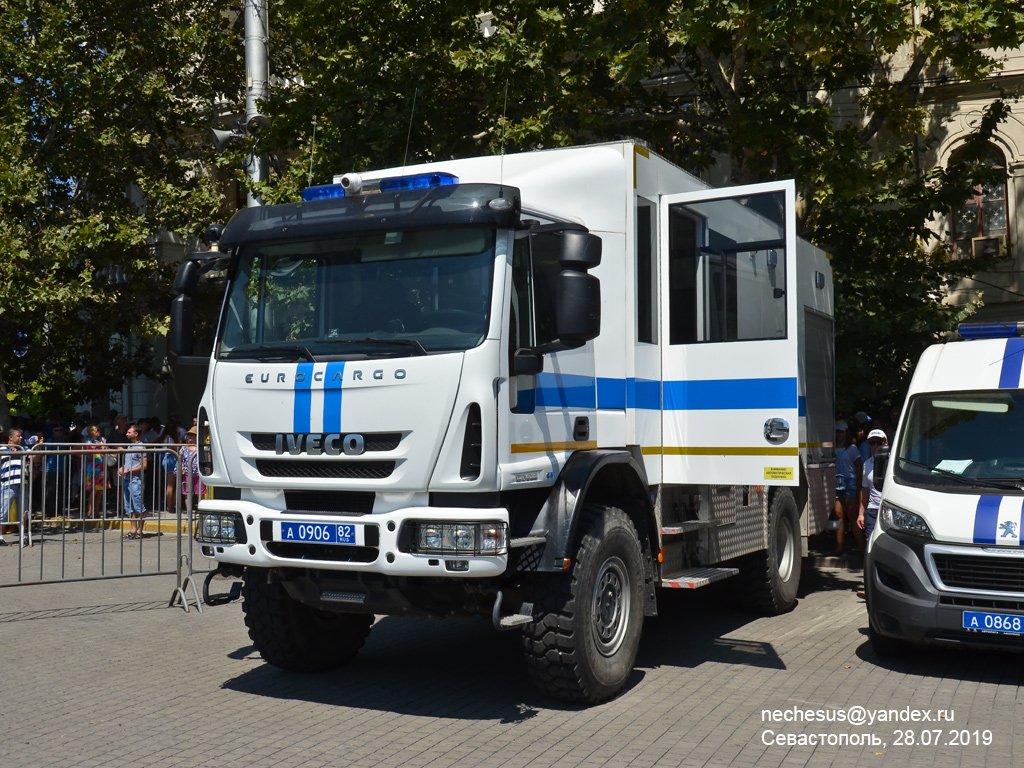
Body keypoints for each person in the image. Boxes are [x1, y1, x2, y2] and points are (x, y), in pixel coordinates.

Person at [833, 420, 864, 556]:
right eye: (837, 431)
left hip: (849, 482)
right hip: (836, 482)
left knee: (852, 516)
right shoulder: (832, 447)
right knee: (838, 514)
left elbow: (858, 469)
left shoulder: (852, 448)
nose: (839, 434)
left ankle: (863, 548)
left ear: (846, 432)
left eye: (841, 431)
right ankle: (840, 547)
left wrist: (859, 488)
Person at [857, 429, 889, 542]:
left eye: (879, 442)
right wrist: (861, 514)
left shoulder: (894, 463)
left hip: (889, 509)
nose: (875, 446)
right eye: (872, 443)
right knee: (870, 542)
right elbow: (865, 490)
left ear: (885, 443)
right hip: (872, 509)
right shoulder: (867, 464)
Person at [119, 424, 147, 539]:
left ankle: (140, 530)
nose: (127, 434)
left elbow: (144, 465)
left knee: (139, 506)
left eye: (129, 432)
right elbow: (129, 463)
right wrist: (122, 468)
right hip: (127, 480)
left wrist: (128, 470)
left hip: (136, 480)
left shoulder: (141, 447)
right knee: (129, 506)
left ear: (136, 434)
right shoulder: (130, 446)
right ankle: (133, 529)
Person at [0, 428, 27, 546]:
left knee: (23, 512)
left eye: (21, 436)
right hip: (7, 484)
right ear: (10, 437)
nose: (21, 438)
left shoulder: (24, 449)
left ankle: (23, 535)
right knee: (3, 512)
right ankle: (0, 536)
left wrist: (39, 447)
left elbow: (35, 458)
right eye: (18, 436)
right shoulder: (2, 449)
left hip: (23, 484)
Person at [82, 425, 109, 520]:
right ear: (90, 431)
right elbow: (77, 450)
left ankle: (97, 511)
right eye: (95, 430)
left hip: (102, 467)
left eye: (98, 429)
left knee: (100, 491)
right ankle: (90, 511)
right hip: (92, 468)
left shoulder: (103, 440)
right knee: (94, 490)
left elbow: (107, 449)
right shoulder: (87, 441)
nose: (98, 431)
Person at [179, 426, 206, 513]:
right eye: (189, 435)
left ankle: (202, 511)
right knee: (187, 494)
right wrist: (181, 468)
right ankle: (189, 512)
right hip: (187, 474)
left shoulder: (200, 447)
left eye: (192, 435)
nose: (190, 437)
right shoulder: (184, 448)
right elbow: (179, 460)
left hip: (198, 474)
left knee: (200, 493)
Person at [157, 416, 181, 514]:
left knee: (172, 484)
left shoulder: (164, 436)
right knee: (171, 484)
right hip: (170, 459)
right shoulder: (170, 438)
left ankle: (172, 505)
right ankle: (170, 505)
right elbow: (175, 449)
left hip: (166, 459)